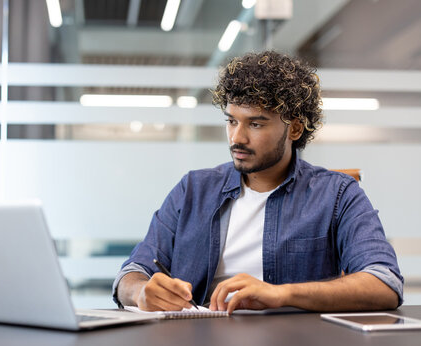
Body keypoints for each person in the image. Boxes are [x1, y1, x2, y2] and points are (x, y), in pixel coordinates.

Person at [112, 50, 403, 314]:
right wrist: (141, 293)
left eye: (255, 123)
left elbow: (384, 282)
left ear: (295, 128)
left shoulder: (337, 195)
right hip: (197, 341)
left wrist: (281, 294)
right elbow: (133, 272)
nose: (237, 138)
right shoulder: (193, 190)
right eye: (231, 121)